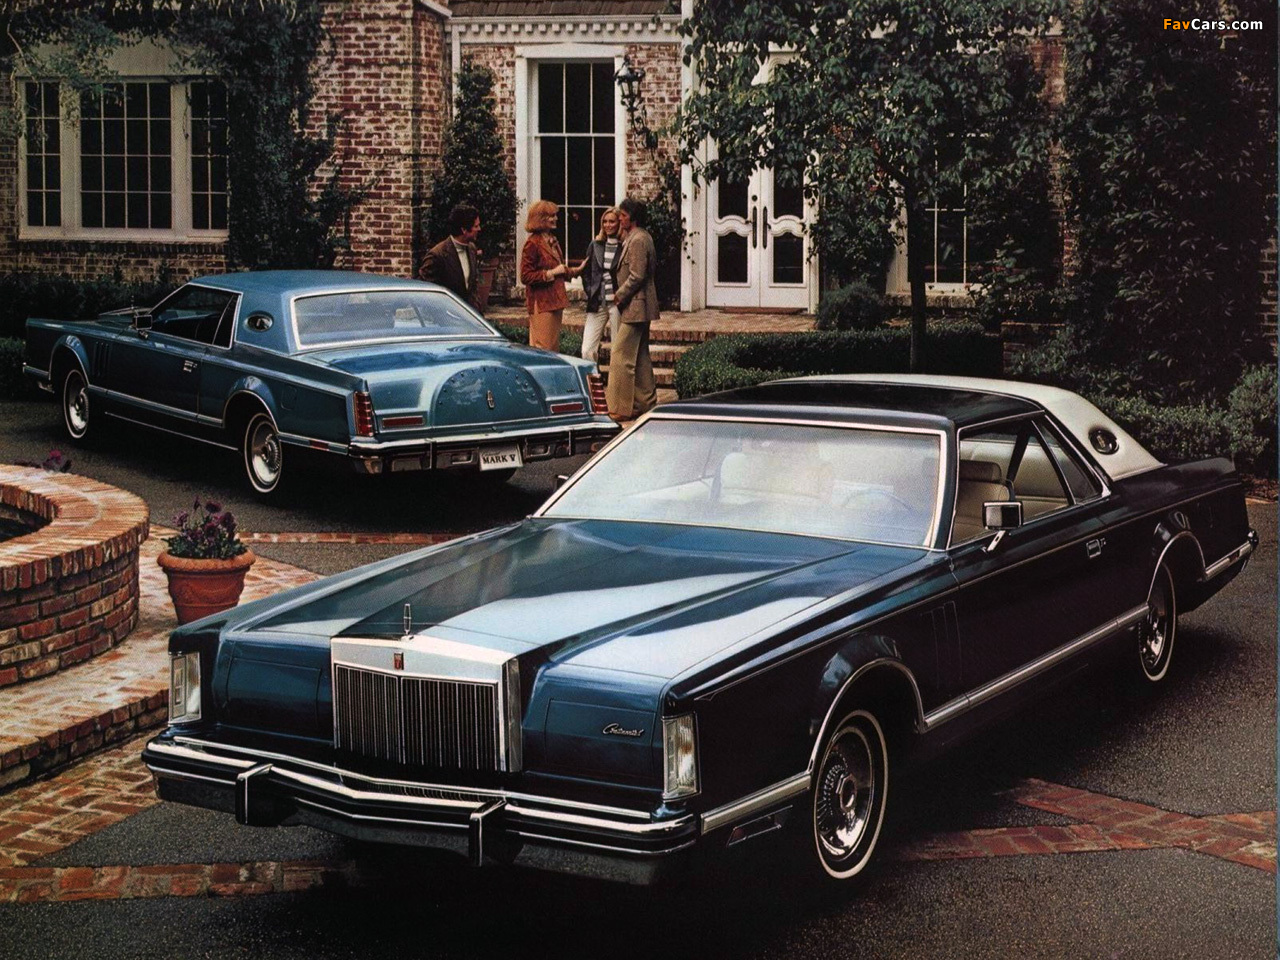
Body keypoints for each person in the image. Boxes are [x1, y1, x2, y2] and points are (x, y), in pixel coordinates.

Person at [606, 197, 658, 422]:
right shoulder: (636, 237)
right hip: (638, 305)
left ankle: (620, 407)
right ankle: (645, 403)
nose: (620, 219)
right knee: (640, 355)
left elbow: (637, 275)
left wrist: (619, 295)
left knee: (621, 355)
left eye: (623, 216)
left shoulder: (638, 239)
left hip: (637, 305)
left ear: (633, 218)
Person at [520, 200, 576, 351]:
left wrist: (577, 270)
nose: (555, 218)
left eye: (555, 215)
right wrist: (551, 273)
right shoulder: (532, 243)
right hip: (542, 303)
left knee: (552, 348)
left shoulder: (551, 240)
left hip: (555, 300)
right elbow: (525, 276)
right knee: (543, 349)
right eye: (551, 216)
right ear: (540, 219)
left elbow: (559, 268)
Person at [577, 207, 622, 364]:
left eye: (612, 221)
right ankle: (593, 379)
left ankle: (616, 380)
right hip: (597, 302)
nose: (608, 225)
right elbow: (586, 272)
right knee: (587, 349)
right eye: (605, 221)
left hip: (617, 303)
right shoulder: (595, 245)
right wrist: (590, 291)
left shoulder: (624, 246)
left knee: (618, 348)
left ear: (619, 223)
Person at [420, 203, 481, 309]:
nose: (479, 229)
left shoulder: (471, 249)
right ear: (464, 230)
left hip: (467, 315)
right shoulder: (437, 256)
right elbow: (426, 292)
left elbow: (472, 288)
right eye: (476, 226)